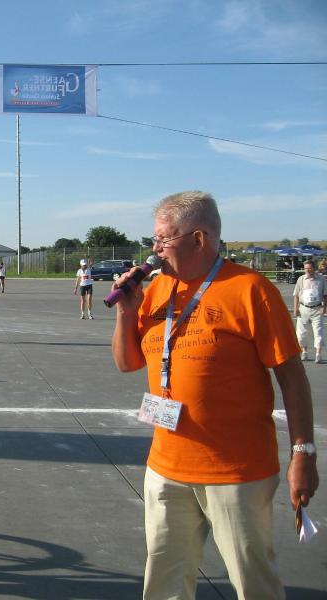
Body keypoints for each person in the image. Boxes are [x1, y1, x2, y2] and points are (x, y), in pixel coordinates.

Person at [111, 191, 318, 600]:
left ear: (199, 239)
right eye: (154, 239)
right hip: (166, 468)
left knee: (253, 583)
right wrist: (126, 312)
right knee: (165, 585)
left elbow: (293, 379)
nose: (155, 250)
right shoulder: (157, 290)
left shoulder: (250, 289)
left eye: (163, 239)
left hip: (237, 473)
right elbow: (126, 362)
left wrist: (303, 454)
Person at [293, 259, 326, 363]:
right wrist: (295, 309)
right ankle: (304, 352)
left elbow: (325, 295)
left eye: (309, 268)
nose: (307, 270)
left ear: (314, 268)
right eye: (305, 268)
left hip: (317, 309)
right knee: (301, 334)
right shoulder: (301, 279)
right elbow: (296, 295)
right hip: (303, 309)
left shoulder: (321, 279)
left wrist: (324, 307)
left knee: (318, 333)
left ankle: (318, 354)